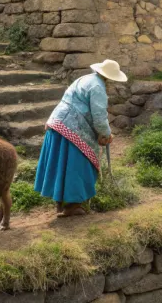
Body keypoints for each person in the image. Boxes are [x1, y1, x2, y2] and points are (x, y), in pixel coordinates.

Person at [33, 59, 127, 217]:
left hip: (57, 122)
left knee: (59, 163)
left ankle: (59, 201)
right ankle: (73, 204)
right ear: (110, 78)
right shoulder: (98, 87)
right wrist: (106, 134)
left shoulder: (84, 79)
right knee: (76, 166)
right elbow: (99, 116)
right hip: (73, 127)